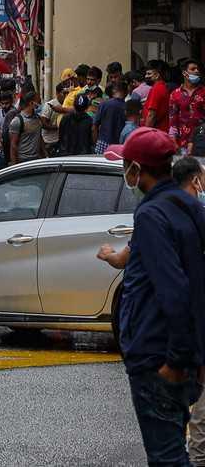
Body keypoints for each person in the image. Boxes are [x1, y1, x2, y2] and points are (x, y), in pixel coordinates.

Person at [103, 128, 205, 466]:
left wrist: (174, 362)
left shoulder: (151, 215)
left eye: (126, 166)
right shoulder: (188, 205)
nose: (125, 174)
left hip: (156, 354)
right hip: (179, 352)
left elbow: (173, 289)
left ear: (137, 169)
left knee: (166, 456)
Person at [170, 60, 205, 156]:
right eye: (193, 69)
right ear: (184, 73)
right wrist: (173, 140)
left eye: (198, 69)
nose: (197, 71)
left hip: (201, 141)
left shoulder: (203, 92)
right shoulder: (175, 94)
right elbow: (173, 119)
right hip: (182, 142)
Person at [7, 90, 46, 165]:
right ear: (31, 103)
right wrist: (15, 165)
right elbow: (13, 145)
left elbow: (39, 137)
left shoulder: (37, 118)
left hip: (37, 159)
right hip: (23, 161)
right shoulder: (18, 121)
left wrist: (45, 154)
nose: (40, 104)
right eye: (39, 101)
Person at [95, 81, 129, 154]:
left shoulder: (104, 104)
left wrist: (96, 142)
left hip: (102, 143)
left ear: (113, 91)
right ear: (126, 92)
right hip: (119, 146)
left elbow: (94, 126)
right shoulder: (127, 108)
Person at [42, 81, 69, 157]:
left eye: (68, 93)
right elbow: (43, 123)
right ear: (57, 93)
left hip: (61, 142)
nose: (66, 96)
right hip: (50, 141)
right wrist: (58, 127)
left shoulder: (68, 105)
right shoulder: (49, 105)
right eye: (64, 93)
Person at [143, 65, 172, 132]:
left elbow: (151, 115)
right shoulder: (161, 87)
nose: (146, 76)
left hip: (156, 131)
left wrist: (145, 133)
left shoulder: (157, 88)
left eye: (149, 74)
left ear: (157, 75)